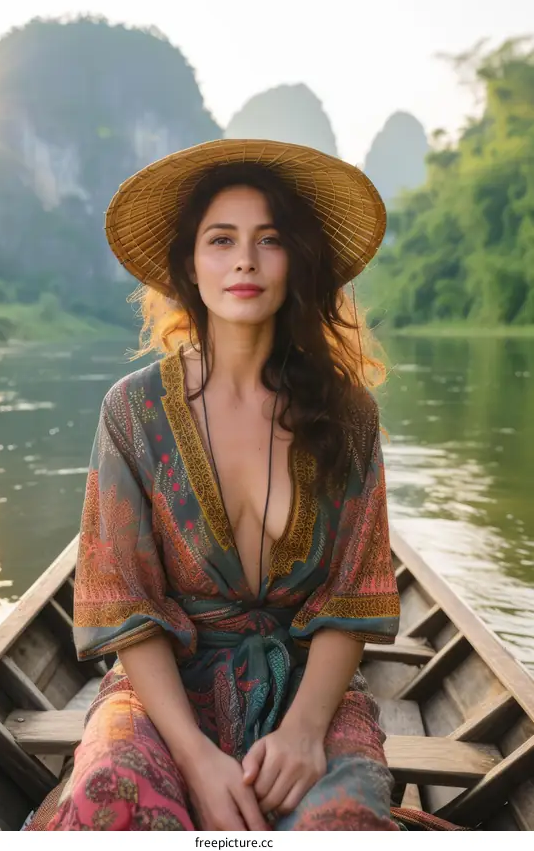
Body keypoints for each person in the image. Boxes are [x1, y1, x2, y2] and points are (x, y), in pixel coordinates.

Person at [38, 139, 403, 831]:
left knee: (345, 821)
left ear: (297, 261)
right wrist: (196, 760)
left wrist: (302, 732)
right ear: (189, 266)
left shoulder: (348, 415)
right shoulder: (134, 412)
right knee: (110, 795)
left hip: (308, 692)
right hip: (162, 695)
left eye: (270, 240)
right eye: (221, 239)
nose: (244, 260)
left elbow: (351, 596)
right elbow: (128, 606)